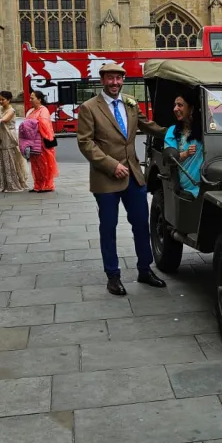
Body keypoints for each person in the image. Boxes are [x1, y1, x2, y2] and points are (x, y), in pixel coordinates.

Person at [76, 61, 166, 296]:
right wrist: (110, 165)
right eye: (110, 78)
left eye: (118, 78)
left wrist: (180, 131)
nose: (115, 83)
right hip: (106, 178)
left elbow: (149, 126)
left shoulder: (130, 103)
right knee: (109, 228)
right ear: (102, 80)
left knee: (141, 225)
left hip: (134, 176)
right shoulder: (89, 107)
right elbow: (85, 142)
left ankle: (144, 269)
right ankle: (113, 276)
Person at [164, 92, 203, 198]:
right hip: (188, 183)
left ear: (191, 108)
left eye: (180, 105)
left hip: (207, 181)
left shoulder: (204, 129)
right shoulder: (172, 131)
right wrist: (185, 154)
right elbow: (169, 158)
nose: (175, 109)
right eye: (174, 105)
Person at [0, 90, 29, 193]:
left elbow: (3, 120)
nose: (1, 101)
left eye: (3, 99)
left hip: (9, 136)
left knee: (11, 158)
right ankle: (3, 183)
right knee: (1, 157)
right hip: (1, 135)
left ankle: (13, 183)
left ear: (9, 100)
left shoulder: (11, 110)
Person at [25, 90, 59, 192]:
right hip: (33, 141)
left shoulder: (43, 110)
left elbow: (44, 124)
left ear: (39, 100)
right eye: (30, 98)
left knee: (44, 163)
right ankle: (38, 185)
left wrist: (32, 124)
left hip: (42, 141)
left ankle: (47, 185)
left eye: (32, 98)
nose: (30, 100)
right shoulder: (30, 111)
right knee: (35, 164)